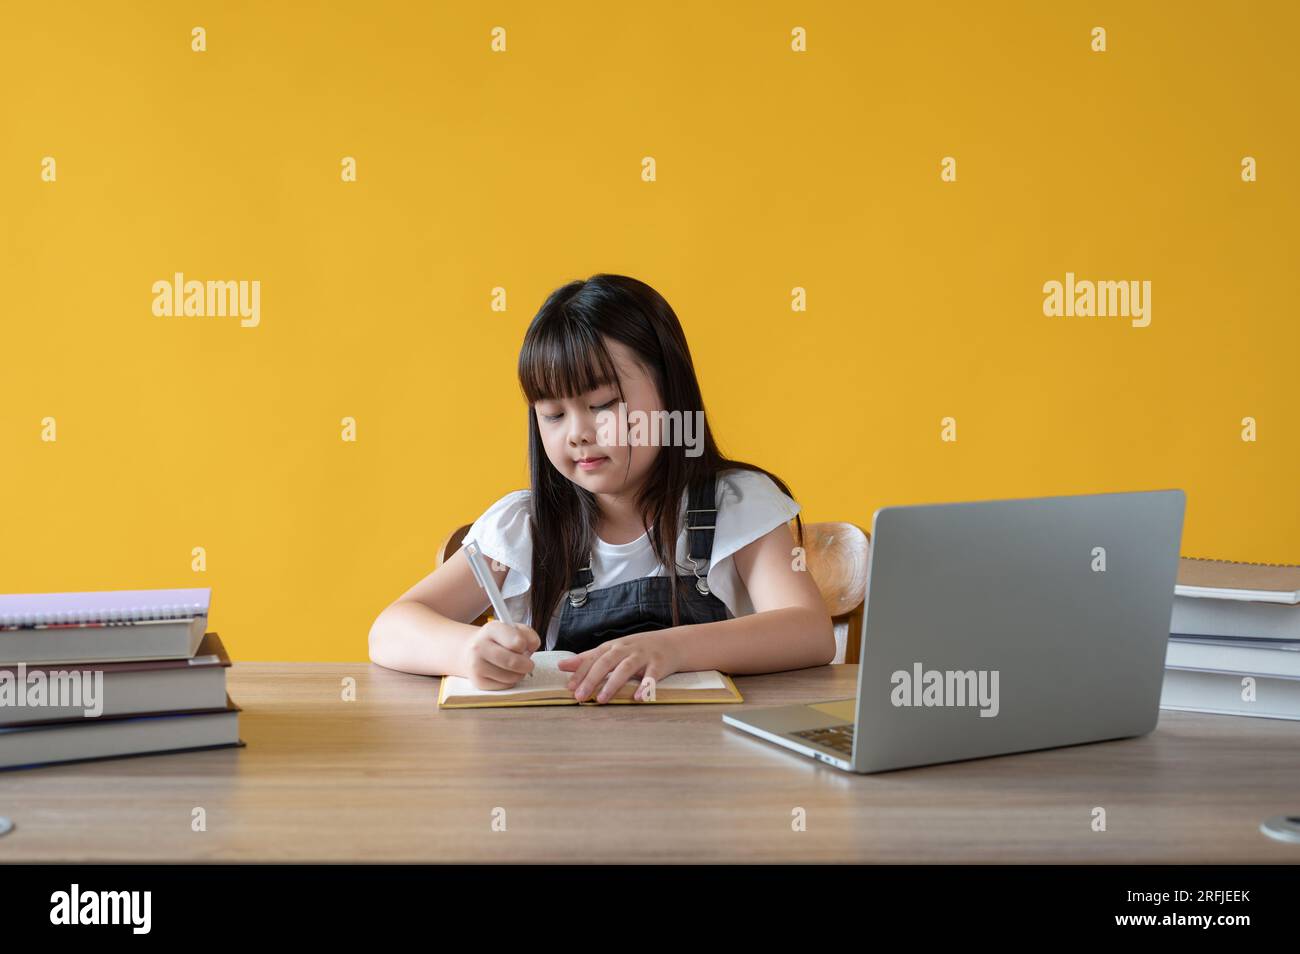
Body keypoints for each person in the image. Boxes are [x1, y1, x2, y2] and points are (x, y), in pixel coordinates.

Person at [368, 273, 834, 702]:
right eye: (553, 414)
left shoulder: (736, 504)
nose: (577, 432)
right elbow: (389, 630)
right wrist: (469, 648)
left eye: (603, 404)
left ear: (671, 393)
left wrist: (672, 648)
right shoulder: (525, 527)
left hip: (707, 771)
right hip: (563, 772)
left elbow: (809, 632)